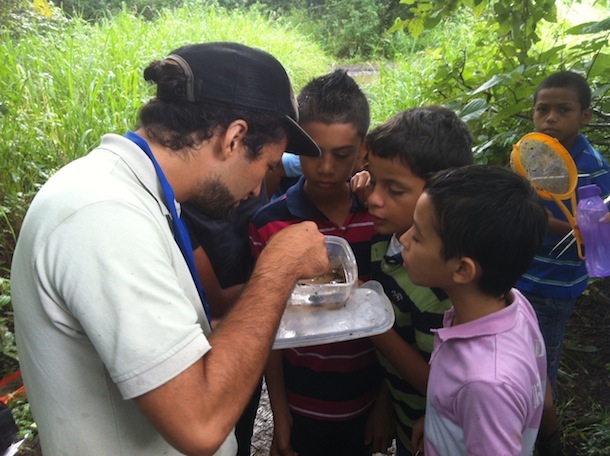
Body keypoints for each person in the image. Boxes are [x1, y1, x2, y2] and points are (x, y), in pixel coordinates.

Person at [10, 42, 330, 455]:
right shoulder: (104, 214)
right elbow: (199, 423)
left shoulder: (133, 195)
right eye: (267, 166)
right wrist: (279, 267)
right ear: (234, 137)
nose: (257, 189)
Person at [249, 69, 391, 456]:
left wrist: (385, 405)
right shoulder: (270, 224)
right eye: (313, 152)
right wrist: (279, 412)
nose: (326, 167)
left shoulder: (379, 219)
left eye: (342, 155)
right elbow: (269, 323)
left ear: (362, 149)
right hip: (301, 400)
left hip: (366, 397)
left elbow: (397, 311)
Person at [353, 107, 473, 456]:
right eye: (372, 180)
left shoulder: (439, 286)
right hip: (406, 418)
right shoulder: (383, 239)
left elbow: (433, 382)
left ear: (439, 195)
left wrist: (369, 317)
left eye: (394, 190)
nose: (374, 199)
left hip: (439, 434)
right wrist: (384, 406)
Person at [408, 165, 548, 455]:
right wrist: (440, 422)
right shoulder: (515, 304)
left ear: (462, 269)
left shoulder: (485, 383)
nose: (403, 240)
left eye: (418, 237)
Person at [515, 71, 610, 454]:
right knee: (520, 350)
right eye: (543, 110)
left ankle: (544, 435)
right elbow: (521, 200)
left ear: (585, 116)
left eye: (563, 110)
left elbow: (596, 220)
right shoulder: (532, 152)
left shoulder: (591, 164)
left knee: (543, 362)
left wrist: (594, 224)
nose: (550, 118)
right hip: (520, 274)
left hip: (556, 285)